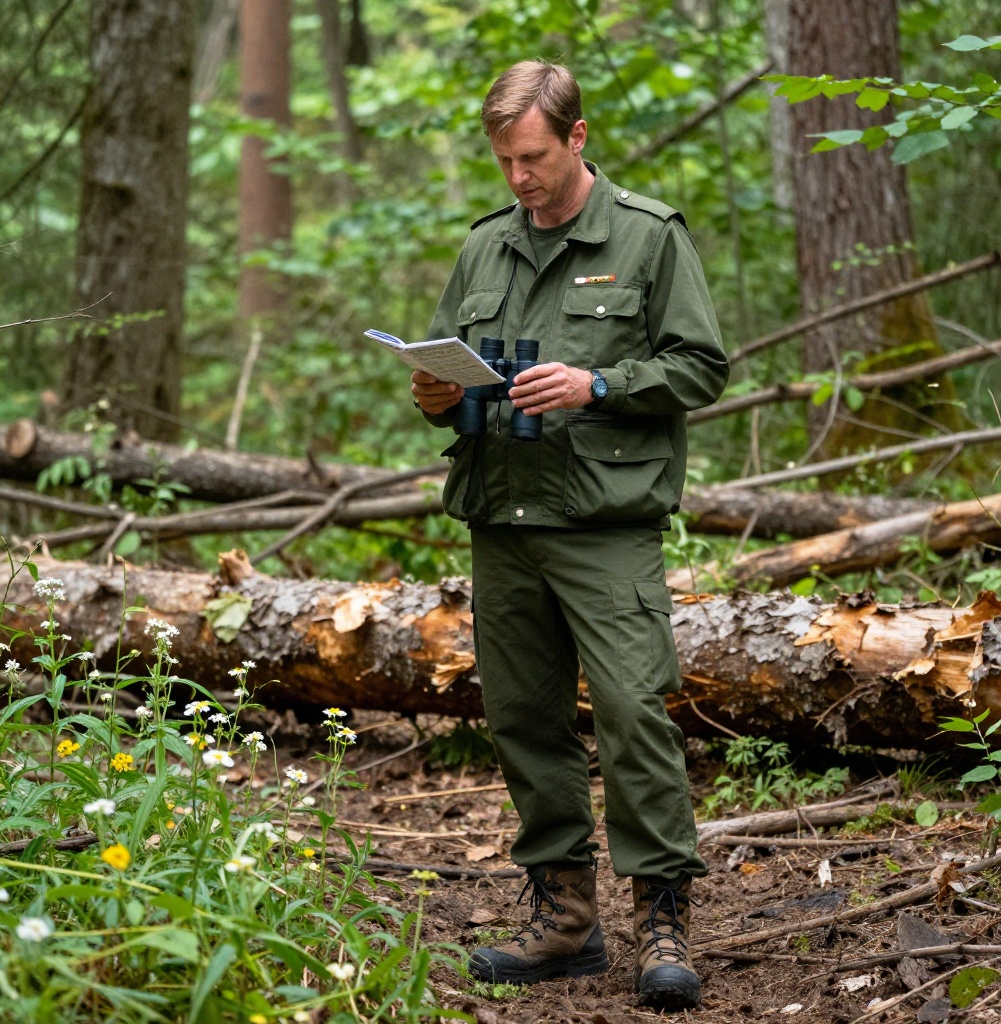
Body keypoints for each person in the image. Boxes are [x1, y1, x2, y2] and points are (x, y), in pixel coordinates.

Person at [410, 60, 728, 1011]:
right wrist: (435, 392)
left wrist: (599, 384)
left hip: (604, 521)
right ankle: (563, 920)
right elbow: (442, 373)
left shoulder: (647, 238)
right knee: (523, 720)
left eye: (535, 156)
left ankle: (662, 919)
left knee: (634, 711)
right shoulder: (484, 250)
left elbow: (702, 368)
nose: (519, 177)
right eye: (505, 159)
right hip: (501, 517)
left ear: (577, 138)